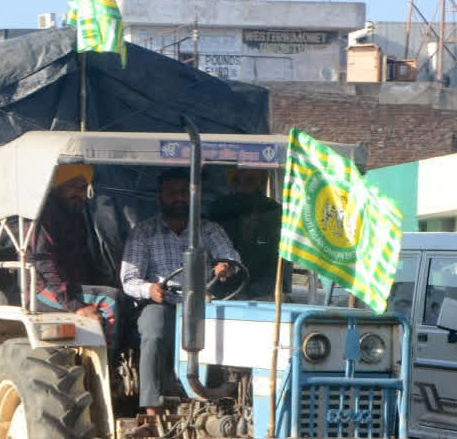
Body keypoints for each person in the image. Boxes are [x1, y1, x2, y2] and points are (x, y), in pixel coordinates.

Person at [121, 169, 241, 416]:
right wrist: (150, 289)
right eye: (172, 193)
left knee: (232, 329)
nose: (178, 198)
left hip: (202, 301)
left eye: (184, 193)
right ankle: (152, 409)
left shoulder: (209, 230)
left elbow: (230, 256)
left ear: (193, 196)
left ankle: (225, 402)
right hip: (162, 302)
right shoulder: (144, 232)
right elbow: (129, 279)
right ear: (160, 197)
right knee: (153, 332)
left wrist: (225, 265)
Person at [29, 164, 120, 343]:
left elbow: (83, 259)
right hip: (43, 290)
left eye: (83, 188)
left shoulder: (75, 216)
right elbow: (45, 266)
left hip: (70, 287)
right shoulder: (43, 217)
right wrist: (76, 306)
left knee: (120, 293)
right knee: (111, 300)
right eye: (72, 186)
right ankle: (113, 363)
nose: (78, 193)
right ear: (57, 186)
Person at [209, 167, 286, 299]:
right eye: (236, 181)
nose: (241, 188)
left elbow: (278, 266)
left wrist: (252, 293)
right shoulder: (218, 209)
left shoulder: (273, 212)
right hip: (223, 290)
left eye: (249, 181)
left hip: (262, 292)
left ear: (259, 184)